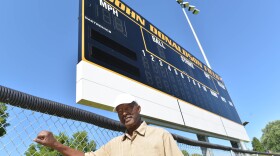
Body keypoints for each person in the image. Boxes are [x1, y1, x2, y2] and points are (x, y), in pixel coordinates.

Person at [34, 93, 183, 156]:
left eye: (127, 108)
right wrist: (55, 144)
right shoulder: (113, 144)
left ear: (138, 109)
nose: (123, 113)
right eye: (119, 111)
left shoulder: (160, 135)